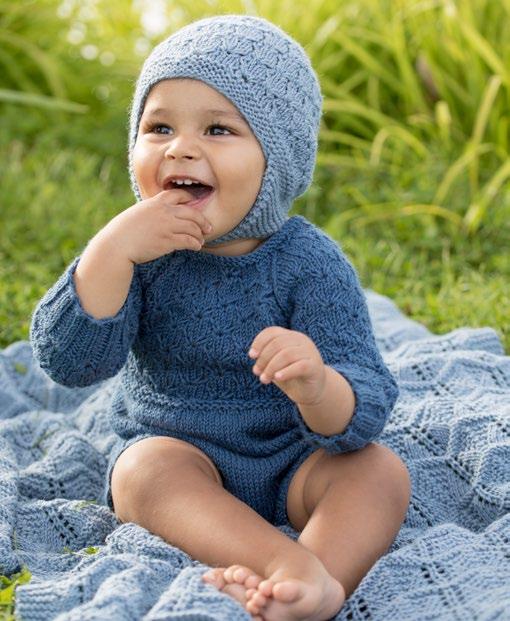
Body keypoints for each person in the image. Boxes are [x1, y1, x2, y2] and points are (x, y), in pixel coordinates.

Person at [29, 14, 411, 621]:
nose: (180, 147)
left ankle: (316, 583)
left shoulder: (310, 264)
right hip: (184, 456)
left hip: (296, 458)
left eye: (217, 128)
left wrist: (317, 385)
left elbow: (360, 410)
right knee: (140, 471)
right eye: (158, 127)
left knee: (380, 472)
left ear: (277, 158)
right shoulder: (142, 251)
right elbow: (71, 363)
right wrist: (109, 253)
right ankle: (287, 568)